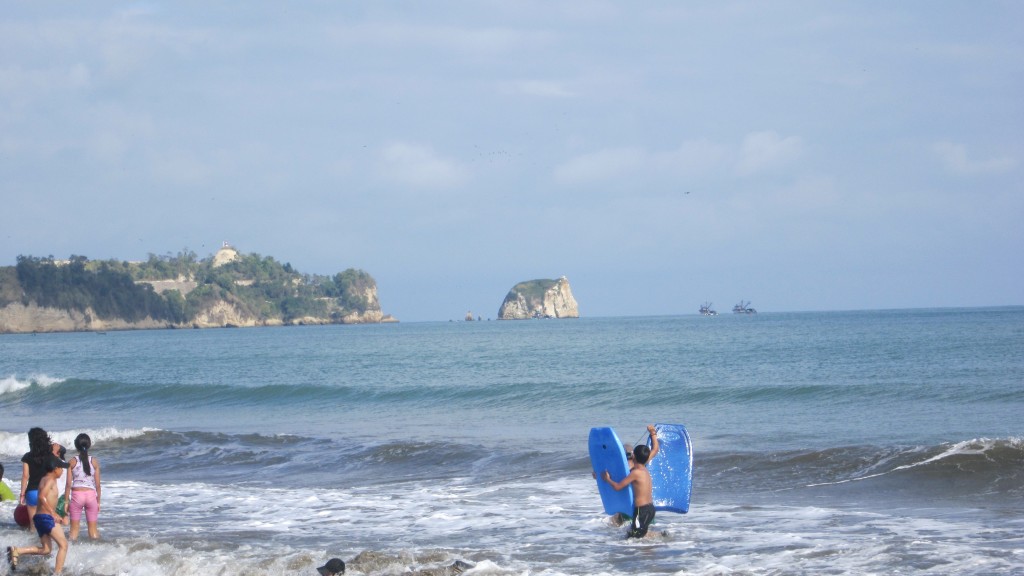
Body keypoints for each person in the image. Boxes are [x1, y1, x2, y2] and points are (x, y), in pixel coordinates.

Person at [7, 456, 70, 574]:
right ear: (55, 469)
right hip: (47, 517)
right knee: (64, 545)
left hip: (39, 518)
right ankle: (57, 573)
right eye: (61, 469)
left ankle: (17, 551)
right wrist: (53, 513)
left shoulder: (44, 478)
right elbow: (42, 496)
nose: (62, 471)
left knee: (46, 549)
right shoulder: (50, 481)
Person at [602, 442, 656, 539]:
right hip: (651, 509)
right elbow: (655, 449)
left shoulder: (635, 473)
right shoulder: (644, 469)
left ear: (633, 456)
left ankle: (657, 539)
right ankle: (655, 542)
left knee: (633, 538)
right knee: (639, 536)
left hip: (641, 510)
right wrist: (653, 434)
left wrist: (607, 479)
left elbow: (617, 487)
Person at [64, 433, 102, 540]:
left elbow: (68, 484)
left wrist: (66, 502)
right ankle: (98, 552)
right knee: (93, 531)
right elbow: (98, 485)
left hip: (77, 496)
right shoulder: (94, 461)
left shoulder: (72, 462)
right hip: (91, 496)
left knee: (74, 532)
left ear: (76, 446)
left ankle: (72, 553)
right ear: (89, 445)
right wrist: (98, 501)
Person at [19, 427, 56, 528]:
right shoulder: (50, 456)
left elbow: (25, 476)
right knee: (49, 522)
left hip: (32, 492)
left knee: (33, 524)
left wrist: (22, 494)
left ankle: (32, 542)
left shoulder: (27, 456)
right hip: (47, 491)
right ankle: (46, 543)